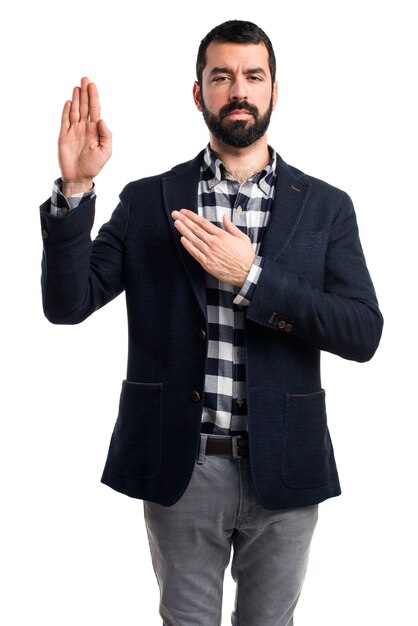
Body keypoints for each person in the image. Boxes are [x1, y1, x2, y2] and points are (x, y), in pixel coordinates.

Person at [40, 20, 383, 626]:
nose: (238, 90)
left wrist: (253, 277)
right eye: (221, 76)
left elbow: (362, 332)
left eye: (253, 76)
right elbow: (67, 304)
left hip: (286, 466)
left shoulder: (326, 206)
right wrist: (76, 187)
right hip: (183, 467)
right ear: (198, 93)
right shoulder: (149, 200)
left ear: (275, 89)